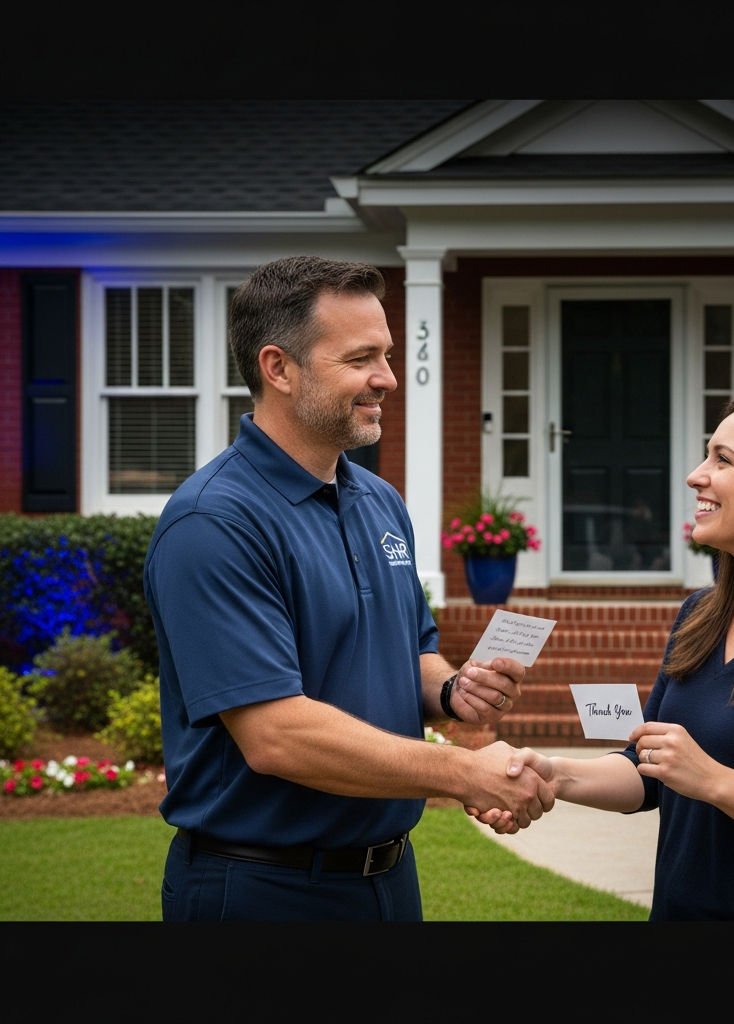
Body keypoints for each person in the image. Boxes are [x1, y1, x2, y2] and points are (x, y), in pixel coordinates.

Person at [145, 256, 553, 922]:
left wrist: (451, 690)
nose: (387, 379)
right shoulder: (214, 522)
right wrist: (460, 772)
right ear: (279, 368)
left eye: (387, 355)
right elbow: (276, 733)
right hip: (261, 890)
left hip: (388, 880)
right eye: (362, 358)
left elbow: (413, 653)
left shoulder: (380, 502)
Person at [474, 393, 734, 920]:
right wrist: (554, 774)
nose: (696, 476)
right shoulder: (700, 615)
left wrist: (715, 781)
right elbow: (650, 769)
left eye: (723, 459)